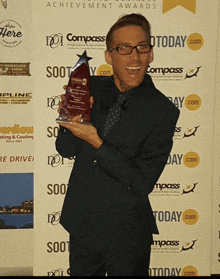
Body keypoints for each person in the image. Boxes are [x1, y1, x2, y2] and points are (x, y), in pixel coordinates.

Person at [56, 13, 180, 276]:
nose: (135, 57)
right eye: (124, 48)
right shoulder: (89, 88)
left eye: (142, 47)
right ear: (109, 56)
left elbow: (141, 182)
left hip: (128, 234)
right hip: (83, 225)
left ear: (151, 54)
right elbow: (65, 149)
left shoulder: (163, 111)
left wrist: (96, 141)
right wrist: (69, 123)